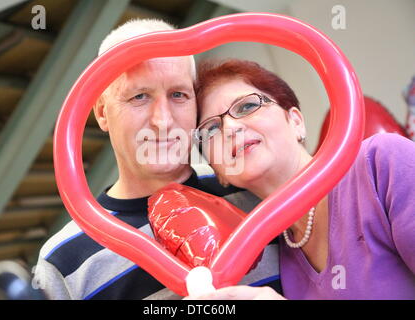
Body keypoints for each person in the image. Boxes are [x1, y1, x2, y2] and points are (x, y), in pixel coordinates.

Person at [34, 20, 281, 300]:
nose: (163, 121)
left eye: (178, 95)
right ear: (102, 113)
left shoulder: (252, 193)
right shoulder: (63, 261)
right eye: (139, 96)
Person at [191, 58, 415, 299]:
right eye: (211, 129)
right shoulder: (280, 253)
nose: (230, 128)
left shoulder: (381, 162)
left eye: (246, 107)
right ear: (219, 173)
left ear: (296, 122)